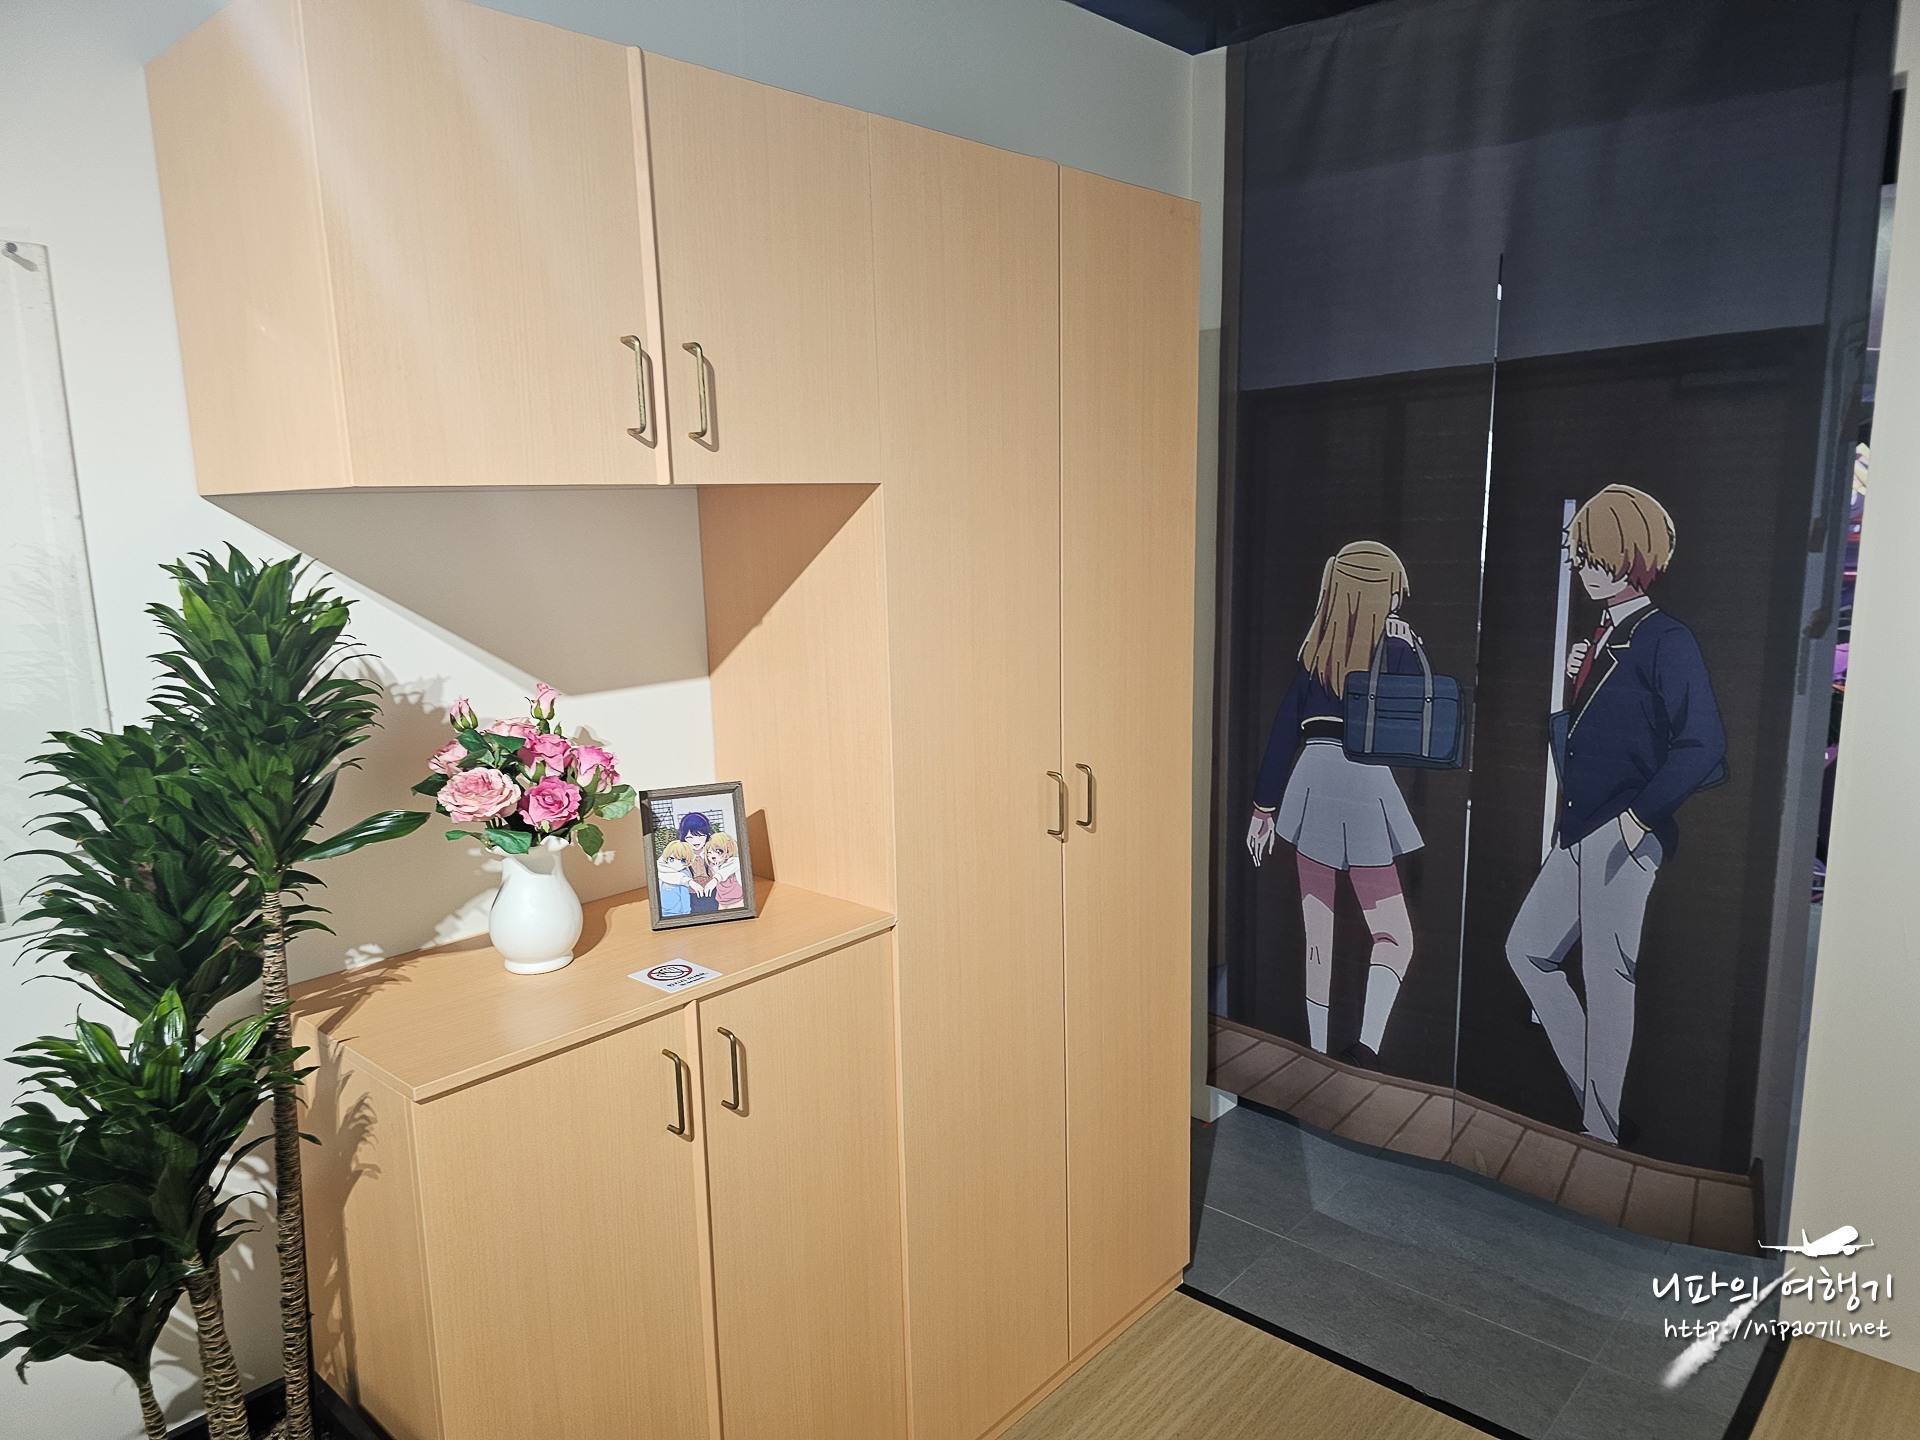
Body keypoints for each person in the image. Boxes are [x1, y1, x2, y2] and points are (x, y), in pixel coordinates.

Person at [1504, 484, 1725, 1146]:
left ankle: (1599, 1133)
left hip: (1622, 834)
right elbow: (1589, 744)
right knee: (1527, 951)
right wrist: (1577, 684)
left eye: (1597, 556)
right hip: (1581, 830)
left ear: (1635, 556)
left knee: (1608, 982)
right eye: (1582, 557)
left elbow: (1704, 745)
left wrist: (1638, 821)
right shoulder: (1604, 637)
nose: (1586, 569)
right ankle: (1600, 1116)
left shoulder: (1666, 639)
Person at [1246, 540, 1424, 1067]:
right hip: (1364, 786)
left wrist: (1263, 809)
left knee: (1317, 932)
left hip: (1311, 783)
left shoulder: (1314, 659)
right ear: (1378, 596)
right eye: (1393, 592)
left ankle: (1318, 1052)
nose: (1399, 602)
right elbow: (1419, 719)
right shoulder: (1395, 652)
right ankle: (1365, 1049)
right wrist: (1412, 651)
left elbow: (1283, 734)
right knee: (1395, 936)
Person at [679, 812, 719, 913]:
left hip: (713, 895)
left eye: (700, 836)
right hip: (691, 897)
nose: (695, 841)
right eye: (690, 837)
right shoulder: (681, 855)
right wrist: (689, 882)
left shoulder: (712, 852)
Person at [656, 839, 695, 917]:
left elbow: (684, 896)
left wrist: (686, 913)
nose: (676, 864)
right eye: (671, 859)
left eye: (682, 861)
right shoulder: (663, 872)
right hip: (662, 912)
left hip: (677, 913)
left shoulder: (684, 875)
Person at [708, 833, 745, 909]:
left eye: (718, 851)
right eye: (710, 852)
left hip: (736, 900)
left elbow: (725, 870)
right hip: (721, 901)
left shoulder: (733, 862)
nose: (712, 855)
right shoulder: (712, 865)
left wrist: (715, 879)